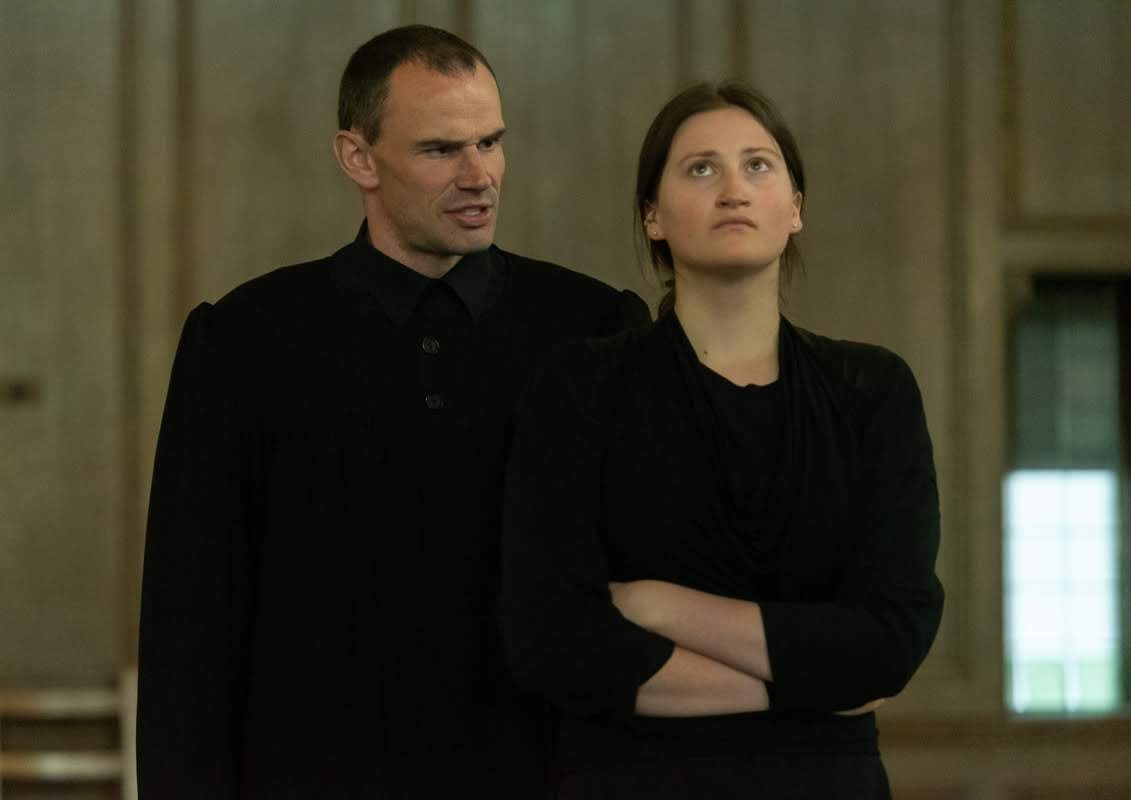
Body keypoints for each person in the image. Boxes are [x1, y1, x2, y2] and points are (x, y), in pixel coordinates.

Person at [135, 24, 649, 799]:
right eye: (441, 150)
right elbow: (190, 616)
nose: (479, 176)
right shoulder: (246, 338)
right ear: (358, 157)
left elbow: (637, 591)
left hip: (540, 769)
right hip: (315, 770)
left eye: (490, 142)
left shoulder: (591, 329)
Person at [500, 80, 943, 799]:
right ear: (652, 215)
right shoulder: (580, 386)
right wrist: (812, 682)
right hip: (631, 782)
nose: (733, 189)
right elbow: (554, 642)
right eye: (700, 168)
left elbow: (888, 644)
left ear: (794, 208)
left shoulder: (873, 389)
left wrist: (656, 605)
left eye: (758, 165)